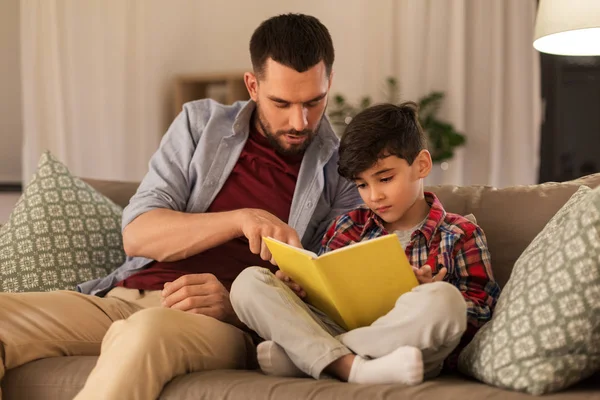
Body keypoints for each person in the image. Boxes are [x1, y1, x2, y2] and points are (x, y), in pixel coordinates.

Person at [0, 13, 362, 400]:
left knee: (146, 333)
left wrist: (235, 305)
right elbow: (138, 234)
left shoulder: (345, 171)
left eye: (313, 101)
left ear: (330, 84)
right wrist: (242, 220)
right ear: (253, 86)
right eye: (281, 102)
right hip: (125, 298)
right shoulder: (200, 124)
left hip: (220, 324)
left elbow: (333, 305)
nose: (299, 121)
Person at [230, 103, 501, 385]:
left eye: (385, 179)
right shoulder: (347, 226)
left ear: (421, 165)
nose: (374, 196)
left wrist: (426, 290)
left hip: (408, 341)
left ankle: (313, 355)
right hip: (340, 327)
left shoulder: (460, 233)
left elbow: (480, 315)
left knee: (445, 302)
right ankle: (352, 367)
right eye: (362, 185)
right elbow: (325, 300)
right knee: (248, 283)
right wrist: (298, 290)